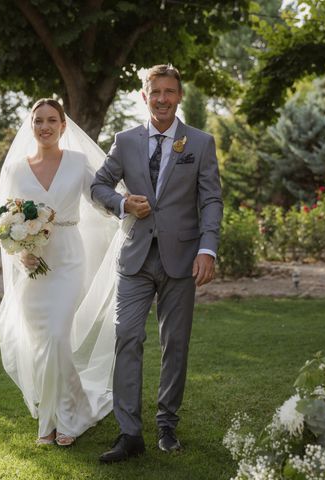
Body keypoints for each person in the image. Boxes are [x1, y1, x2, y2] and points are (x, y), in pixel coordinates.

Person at [91, 64, 223, 462]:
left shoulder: (200, 143)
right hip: (134, 258)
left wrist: (208, 248)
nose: (162, 98)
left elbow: (211, 199)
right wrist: (121, 202)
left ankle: (167, 424)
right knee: (127, 337)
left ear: (179, 96)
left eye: (169, 91)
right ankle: (130, 433)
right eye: (155, 91)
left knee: (175, 344)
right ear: (144, 96)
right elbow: (99, 185)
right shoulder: (125, 141)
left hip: (182, 259)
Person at [0, 99, 126, 446]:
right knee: (42, 343)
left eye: (52, 120)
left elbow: (100, 198)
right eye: (38, 121)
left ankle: (68, 416)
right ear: (31, 125)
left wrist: (126, 209)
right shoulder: (17, 170)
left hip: (67, 259)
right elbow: (4, 221)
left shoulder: (78, 163)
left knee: (56, 336)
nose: (45, 126)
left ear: (63, 125)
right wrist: (20, 251)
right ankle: (54, 418)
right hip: (32, 264)